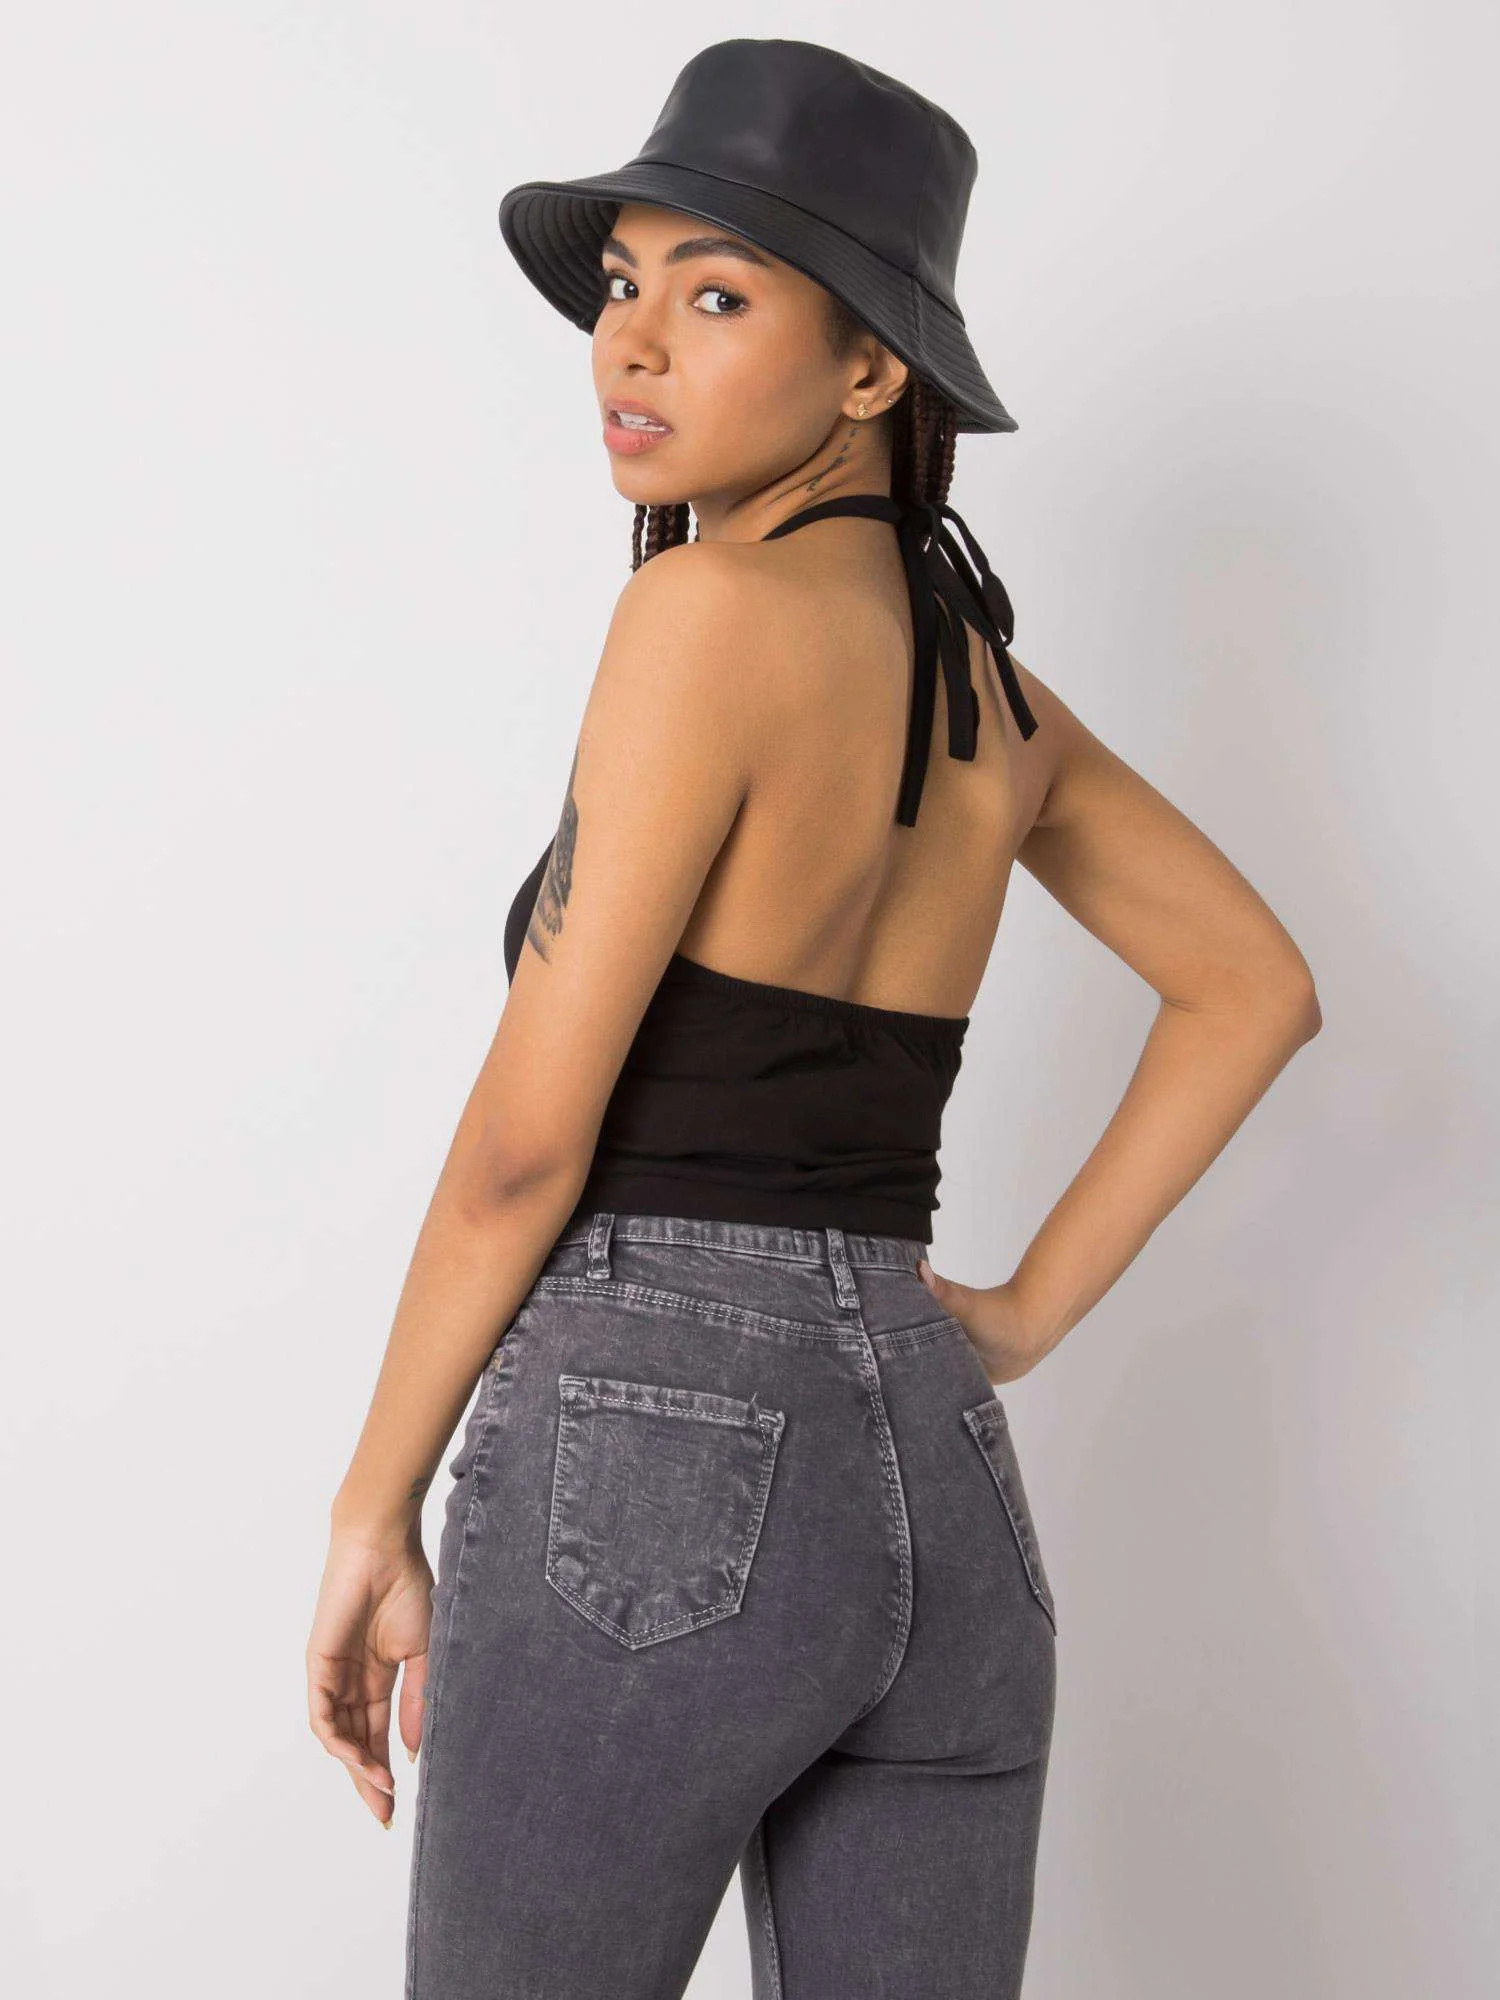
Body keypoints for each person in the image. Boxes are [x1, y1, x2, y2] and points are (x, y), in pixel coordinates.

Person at [305, 38, 1322, 2000]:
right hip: (938, 1482)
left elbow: (525, 1145)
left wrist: (372, 1505)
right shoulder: (994, 703)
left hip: (652, 1457)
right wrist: (1009, 1319)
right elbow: (1252, 985)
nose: (630, 344)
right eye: (623, 286)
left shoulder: (701, 615)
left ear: (871, 369)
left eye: (716, 297)